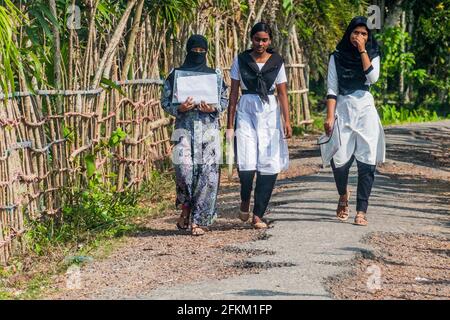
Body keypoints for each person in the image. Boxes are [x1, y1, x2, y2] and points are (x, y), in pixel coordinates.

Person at [161, 34, 228, 236]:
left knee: (207, 174)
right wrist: (179, 108)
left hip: (209, 130)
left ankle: (200, 220)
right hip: (184, 129)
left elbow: (223, 101)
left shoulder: (215, 75)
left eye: (201, 51)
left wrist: (212, 109)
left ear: (206, 53)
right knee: (184, 171)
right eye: (194, 51)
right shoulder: (175, 74)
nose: (198, 54)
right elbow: (164, 101)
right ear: (187, 51)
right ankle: (186, 207)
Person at [227, 22, 292, 229]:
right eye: (257, 39)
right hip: (246, 110)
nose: (260, 43)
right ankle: (245, 197)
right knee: (246, 162)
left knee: (269, 163)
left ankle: (258, 214)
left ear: (270, 41)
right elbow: (234, 94)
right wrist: (229, 125)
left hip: (270, 112)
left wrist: (287, 120)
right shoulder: (241, 60)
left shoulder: (277, 62)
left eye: (264, 40)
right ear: (251, 39)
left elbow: (282, 93)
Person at [324, 16, 385, 226]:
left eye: (364, 34)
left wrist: (362, 50)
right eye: (356, 33)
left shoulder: (373, 53)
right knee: (338, 159)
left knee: (367, 160)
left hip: (365, 107)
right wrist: (330, 116)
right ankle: (343, 194)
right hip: (342, 107)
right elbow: (332, 88)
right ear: (349, 33)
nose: (359, 37)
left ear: (368, 37)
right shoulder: (337, 56)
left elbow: (373, 79)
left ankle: (361, 211)